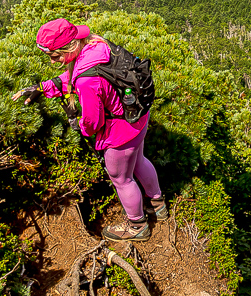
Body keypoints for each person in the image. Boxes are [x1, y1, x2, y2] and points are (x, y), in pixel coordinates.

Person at [13, 17, 166, 241]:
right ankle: (158, 205)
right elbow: (76, 73)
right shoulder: (96, 45)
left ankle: (137, 226)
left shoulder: (87, 80)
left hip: (120, 133)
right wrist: (45, 87)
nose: (53, 61)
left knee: (121, 179)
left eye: (55, 56)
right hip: (137, 116)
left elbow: (93, 122)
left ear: (69, 47)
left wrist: (78, 125)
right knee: (139, 161)